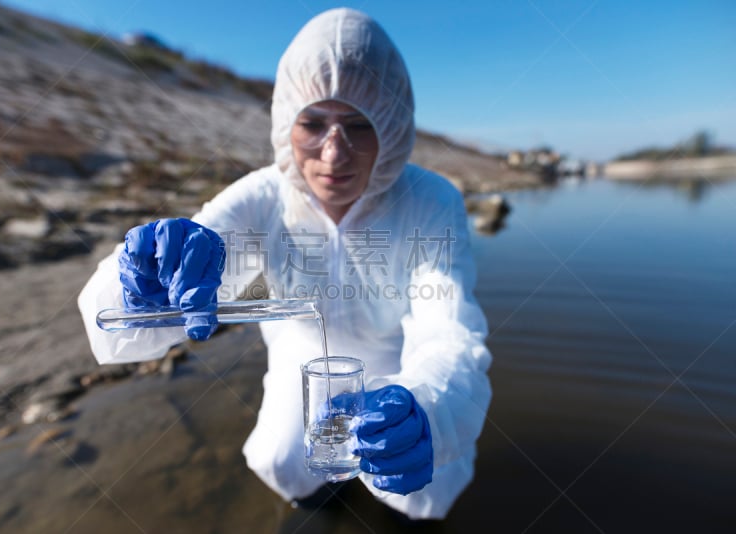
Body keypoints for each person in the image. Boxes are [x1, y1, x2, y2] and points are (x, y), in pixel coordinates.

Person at [78, 8, 492, 521]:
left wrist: (428, 407)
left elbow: (449, 330)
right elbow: (122, 322)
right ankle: (322, 507)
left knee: (418, 490)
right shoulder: (260, 199)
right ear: (285, 124)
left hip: (398, 369)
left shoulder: (430, 202)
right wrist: (144, 282)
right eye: (313, 123)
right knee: (282, 460)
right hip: (300, 362)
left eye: (359, 125)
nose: (333, 153)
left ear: (392, 125)